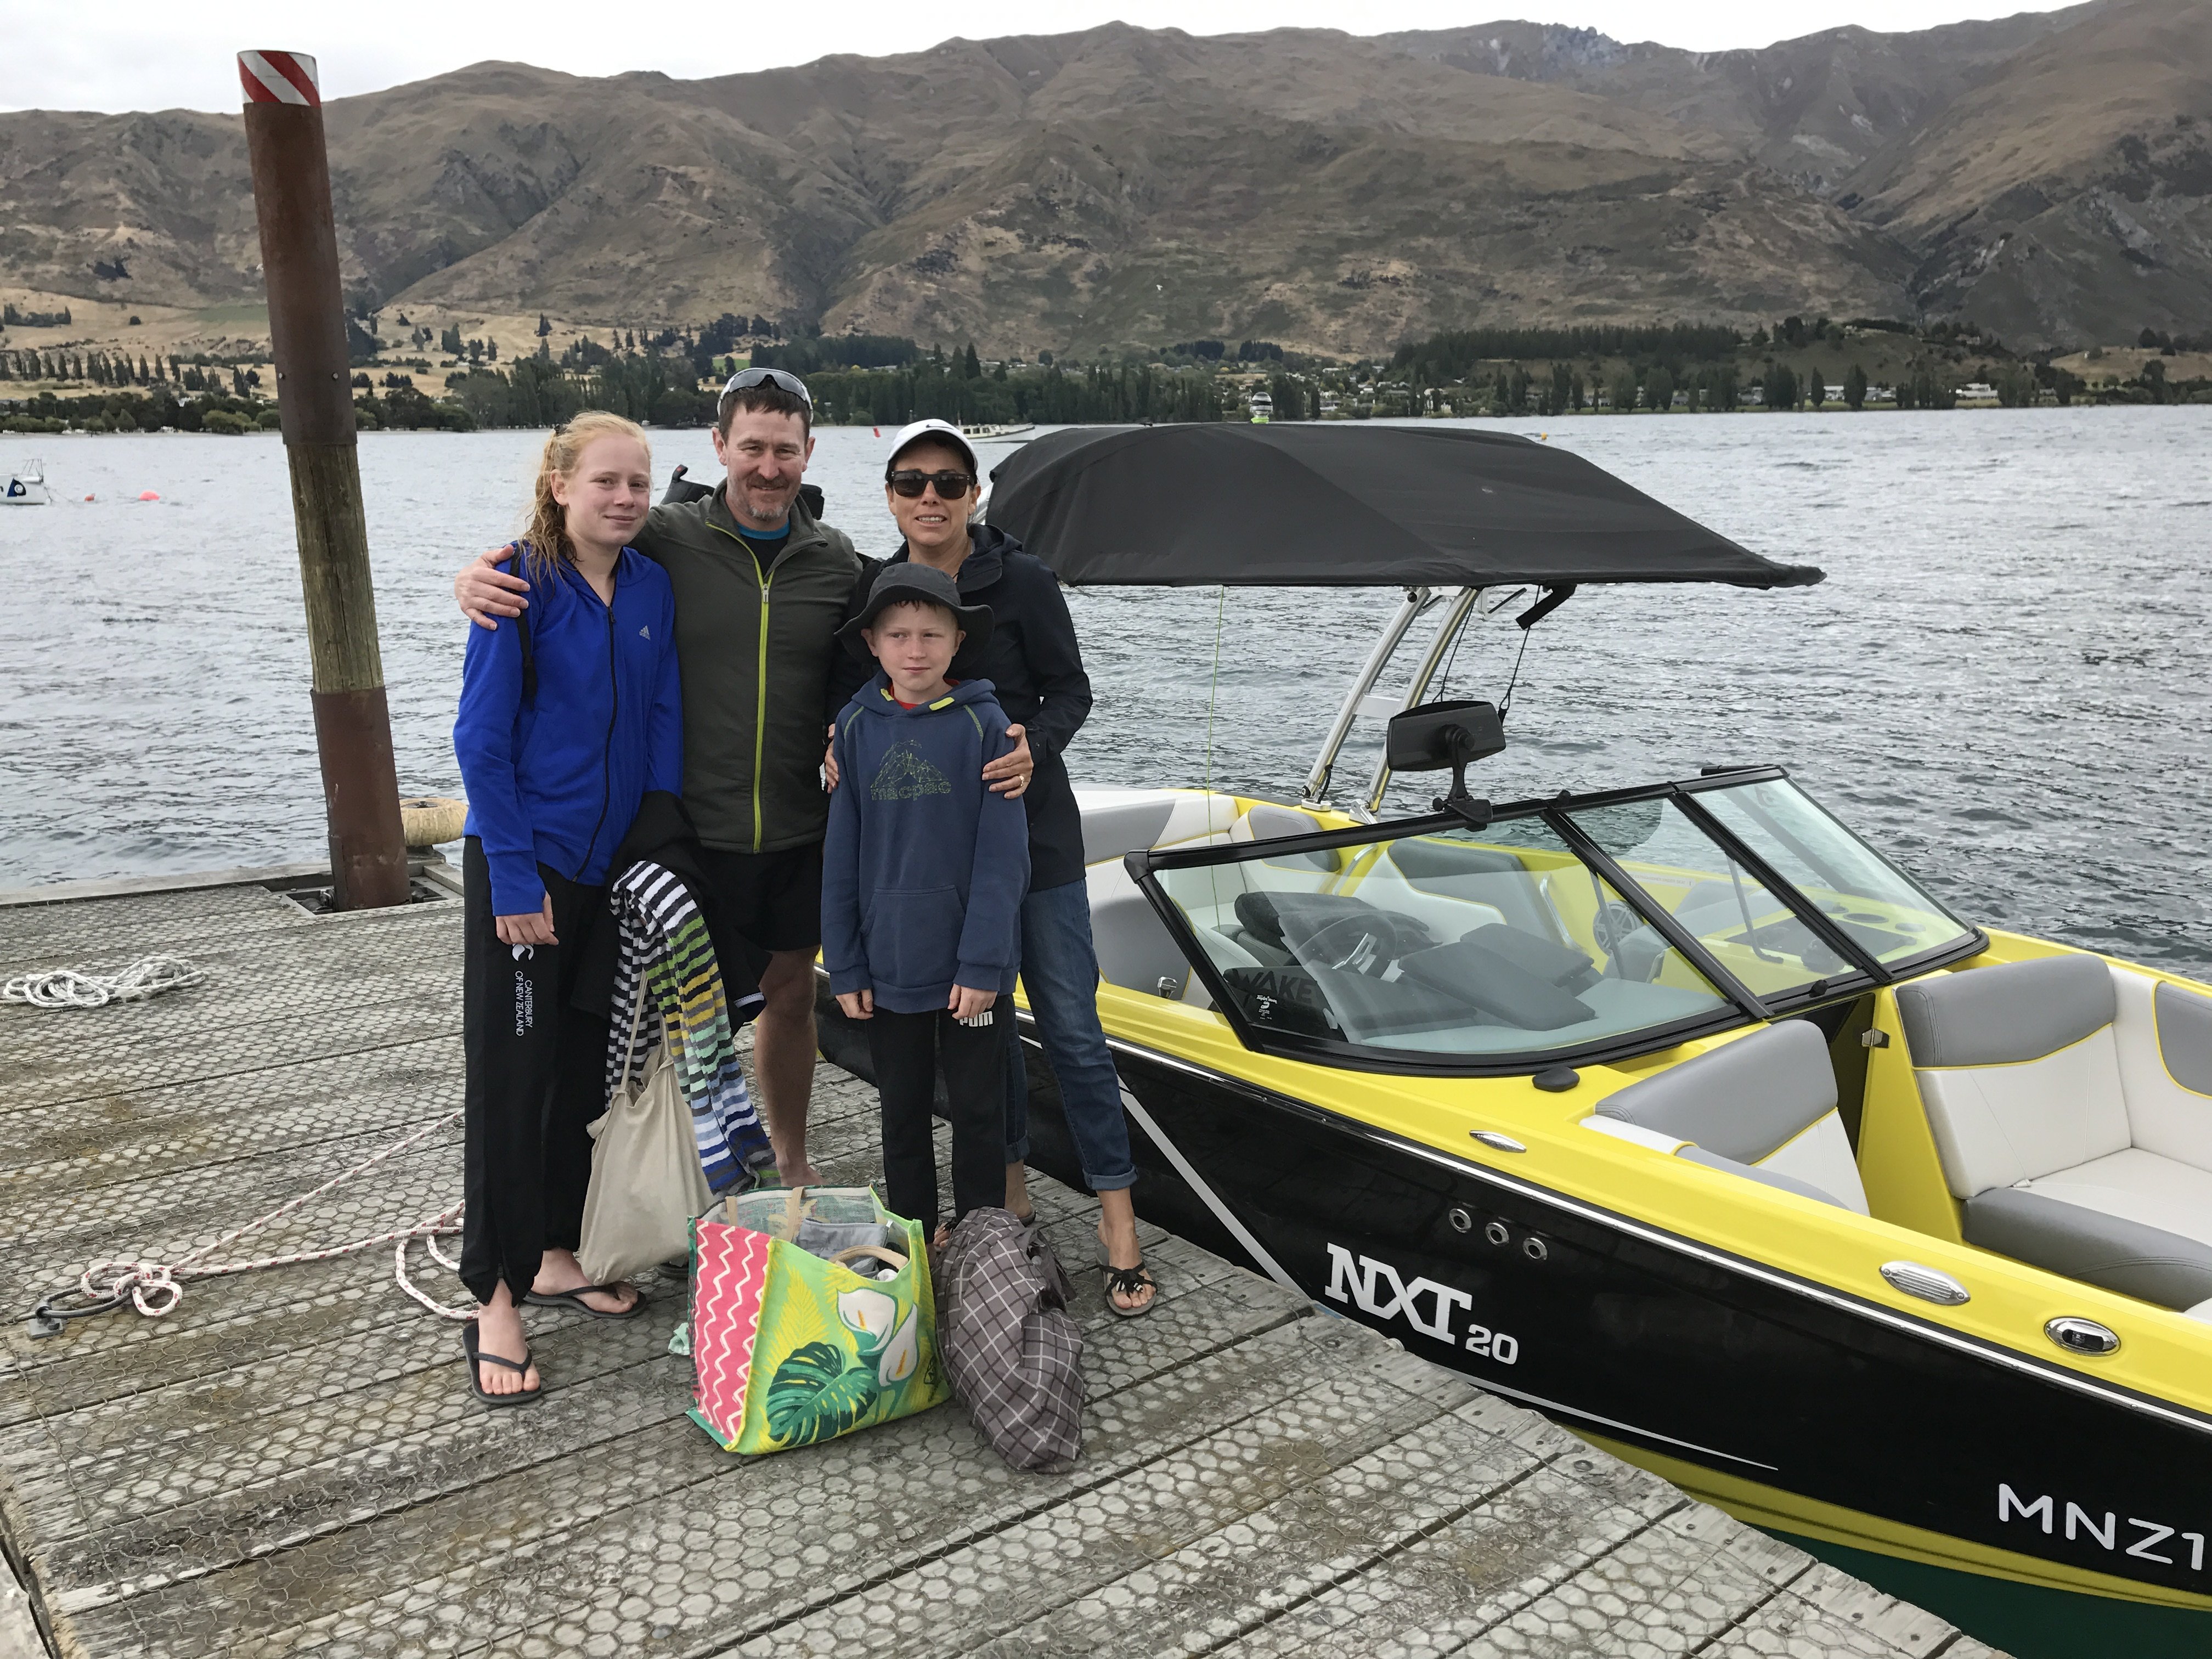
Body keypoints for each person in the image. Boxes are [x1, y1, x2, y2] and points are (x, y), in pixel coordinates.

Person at [452, 373, 1036, 1188]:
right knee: (668, 1015)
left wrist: (1010, 729)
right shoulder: (665, 538)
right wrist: (481, 573)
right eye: (752, 447)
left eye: (785, 451)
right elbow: (576, 537)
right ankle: (665, 1178)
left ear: (808, 455)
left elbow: (917, 634)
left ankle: (789, 1156)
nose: (768, 467)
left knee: (790, 996)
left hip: (797, 822)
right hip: (688, 825)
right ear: (721, 448)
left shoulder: (838, 562)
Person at [829, 420, 1158, 1315]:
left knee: (1073, 1031)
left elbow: (1070, 690)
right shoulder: (877, 592)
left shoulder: (1023, 579)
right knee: (985, 1030)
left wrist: (1032, 746)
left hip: (1033, 839)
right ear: (891, 495)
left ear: (974, 493)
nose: (928, 496)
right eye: (910, 481)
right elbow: (852, 693)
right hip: (940, 855)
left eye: (947, 480)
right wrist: (833, 741)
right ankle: (1004, 1205)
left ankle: (1116, 1222)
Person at [451, 413, 682, 1404]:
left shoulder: (649, 586)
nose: (625, 498)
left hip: (610, 873)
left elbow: (662, 717)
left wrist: (657, 852)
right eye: (606, 482)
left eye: (638, 482)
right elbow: (479, 738)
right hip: (529, 867)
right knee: (513, 1077)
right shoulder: (518, 582)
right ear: (560, 485)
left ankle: (552, 1244)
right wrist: (511, 875)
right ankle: (492, 1288)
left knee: (583, 1065)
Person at [822, 565, 1029, 1238]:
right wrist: (847, 966)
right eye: (899, 635)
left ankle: (978, 1240)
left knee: (978, 1110)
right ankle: (914, 1235)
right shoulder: (853, 728)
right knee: (901, 1110)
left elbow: (1004, 859)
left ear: (957, 641)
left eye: (931, 635)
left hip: (971, 968)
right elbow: (841, 860)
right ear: (875, 645)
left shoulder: (987, 725)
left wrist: (983, 964)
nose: (916, 650)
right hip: (888, 968)